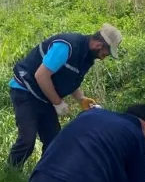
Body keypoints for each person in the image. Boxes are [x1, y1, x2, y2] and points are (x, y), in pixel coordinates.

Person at [7, 24, 123, 168]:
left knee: (54, 141)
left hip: (44, 95)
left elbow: (68, 78)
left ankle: (44, 175)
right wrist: (58, 103)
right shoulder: (67, 46)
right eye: (106, 53)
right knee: (27, 140)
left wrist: (81, 99)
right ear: (99, 45)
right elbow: (41, 76)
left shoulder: (86, 56)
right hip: (26, 90)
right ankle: (10, 174)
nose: (104, 58)